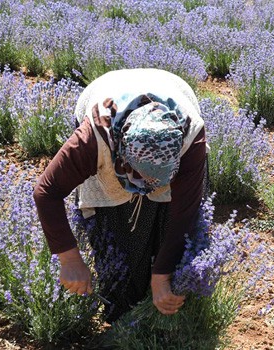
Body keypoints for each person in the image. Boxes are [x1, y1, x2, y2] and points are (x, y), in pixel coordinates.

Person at [34, 68, 207, 320]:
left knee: (170, 220)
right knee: (115, 229)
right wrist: (69, 259)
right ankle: (122, 309)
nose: (151, 186)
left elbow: (184, 212)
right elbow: (47, 192)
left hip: (171, 87)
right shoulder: (92, 138)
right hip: (106, 94)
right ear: (121, 151)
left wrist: (162, 276)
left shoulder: (190, 137)